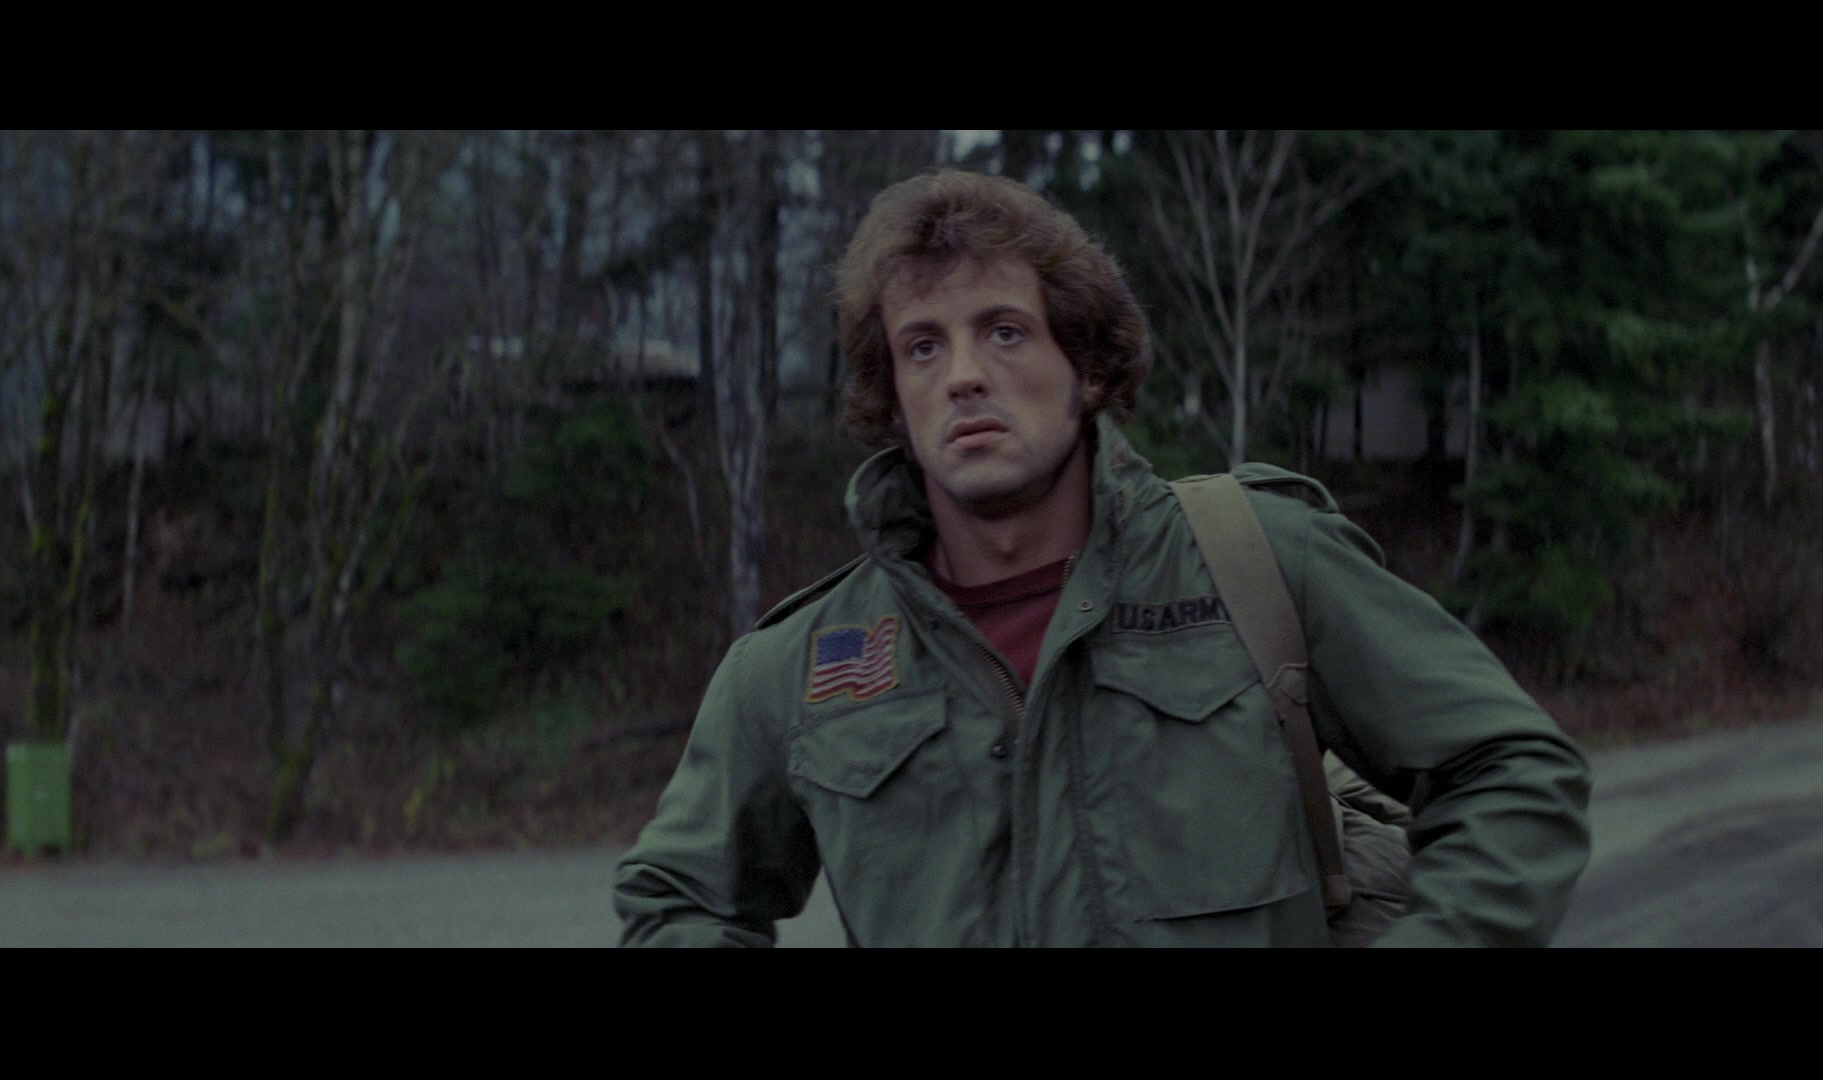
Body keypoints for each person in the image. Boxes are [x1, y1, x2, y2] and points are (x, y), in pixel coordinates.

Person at [613, 168, 1591, 947]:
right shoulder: (802, 667)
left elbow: (1511, 771)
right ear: (893, 399)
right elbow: (677, 899)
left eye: (1004, 331)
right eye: (922, 347)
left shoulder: (1257, 563)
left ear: (1085, 368)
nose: (963, 376)